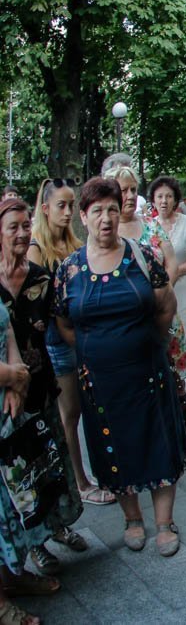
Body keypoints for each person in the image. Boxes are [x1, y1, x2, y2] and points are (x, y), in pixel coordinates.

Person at [54, 178, 185, 558]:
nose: (106, 218)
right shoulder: (69, 270)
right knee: (113, 447)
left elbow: (166, 305)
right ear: (83, 217)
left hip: (147, 372)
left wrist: (146, 341)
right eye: (97, 211)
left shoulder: (141, 256)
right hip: (99, 380)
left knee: (157, 441)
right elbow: (64, 324)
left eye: (112, 209)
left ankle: (164, 522)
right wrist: (97, 349)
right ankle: (132, 519)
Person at [0, 199, 85, 579]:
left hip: (41, 386)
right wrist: (11, 382)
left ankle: (59, 525)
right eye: (13, 227)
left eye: (25, 226)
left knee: (51, 462)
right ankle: (35, 543)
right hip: (6, 396)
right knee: (22, 473)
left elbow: (59, 326)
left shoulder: (40, 279)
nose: (22, 234)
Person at [112, 167, 186, 472]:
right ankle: (147, 454)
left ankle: (182, 448)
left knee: (174, 386)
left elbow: (172, 264)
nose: (129, 196)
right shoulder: (107, 231)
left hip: (163, 318)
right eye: (123, 190)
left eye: (133, 189)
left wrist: (157, 295)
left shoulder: (151, 226)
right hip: (129, 326)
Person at [28, 178, 116, 509]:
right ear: (45, 208)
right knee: (70, 414)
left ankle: (98, 472)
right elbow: (37, 307)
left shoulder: (74, 243)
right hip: (57, 342)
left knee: (88, 408)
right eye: (61, 205)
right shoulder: (37, 248)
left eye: (70, 205)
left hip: (83, 338)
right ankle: (79, 482)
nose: (67, 212)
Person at [0, 297, 50, 625]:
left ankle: (10, 576)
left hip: (5, 400)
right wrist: (11, 374)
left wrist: (17, 382)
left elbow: (6, 328)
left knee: (9, 501)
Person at [150, 176, 186, 412]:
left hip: (185, 290)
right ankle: (176, 393)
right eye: (159, 196)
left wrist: (175, 271)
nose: (164, 201)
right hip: (161, 294)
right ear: (153, 200)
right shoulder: (149, 226)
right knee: (166, 346)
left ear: (175, 199)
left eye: (168, 196)